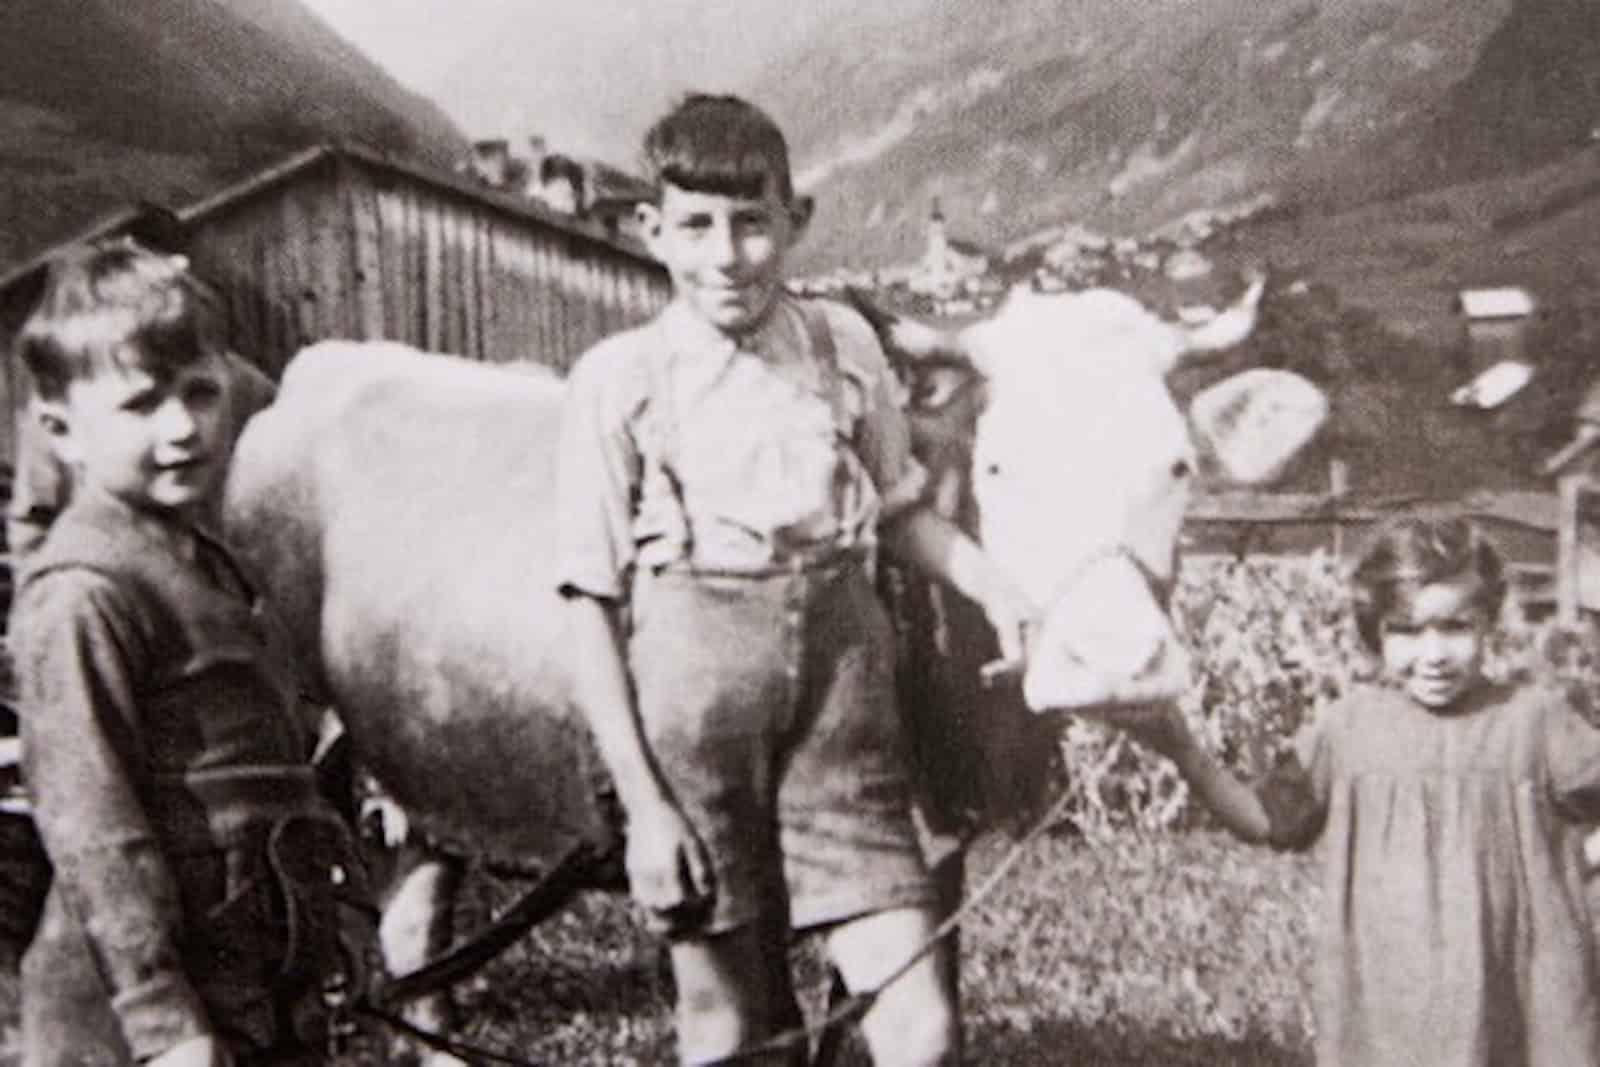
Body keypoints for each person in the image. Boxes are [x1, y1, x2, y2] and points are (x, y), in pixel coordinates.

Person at [556, 93, 1032, 1066]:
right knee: (728, 1027)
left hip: (843, 722)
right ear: (652, 229)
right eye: (695, 226)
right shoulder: (621, 378)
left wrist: (995, 585)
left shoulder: (840, 346)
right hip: (696, 732)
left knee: (918, 1025)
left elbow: (900, 515)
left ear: (795, 221)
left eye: (750, 224)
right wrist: (646, 808)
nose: (725, 256)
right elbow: (589, 604)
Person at [9, 239, 360, 1067]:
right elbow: (92, 824)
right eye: (140, 404)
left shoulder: (211, 564)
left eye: (200, 393)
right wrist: (162, 1021)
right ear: (59, 429)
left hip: (252, 990)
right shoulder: (84, 589)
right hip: (139, 1024)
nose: (182, 428)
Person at [1125, 515, 1600, 1066]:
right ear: (1375, 631)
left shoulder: (1533, 722)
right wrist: (1184, 751)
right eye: (1407, 630)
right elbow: (1266, 819)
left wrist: (1581, 858)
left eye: (1455, 627)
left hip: (1517, 995)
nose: (1434, 654)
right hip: (1388, 998)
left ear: (1489, 622)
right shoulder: (1347, 729)